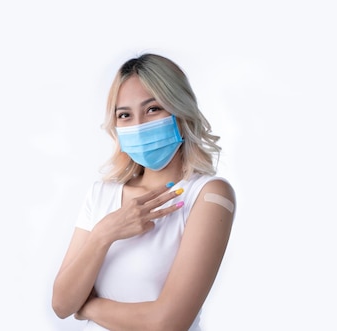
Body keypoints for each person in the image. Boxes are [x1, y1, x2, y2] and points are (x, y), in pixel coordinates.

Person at [51, 53, 236, 331]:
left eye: (153, 109)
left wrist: (87, 305)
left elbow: (167, 323)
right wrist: (104, 234)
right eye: (124, 115)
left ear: (181, 112)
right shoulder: (101, 194)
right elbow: (62, 305)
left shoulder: (209, 195)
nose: (139, 125)